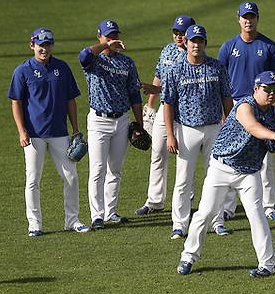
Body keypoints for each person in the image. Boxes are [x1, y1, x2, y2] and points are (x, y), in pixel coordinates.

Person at [176, 71, 275, 278]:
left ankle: (267, 265)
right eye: (267, 89)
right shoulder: (244, 105)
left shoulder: (274, 114)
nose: (272, 93)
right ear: (256, 89)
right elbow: (252, 127)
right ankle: (188, 256)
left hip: (249, 173)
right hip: (222, 167)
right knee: (205, 213)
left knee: (256, 215)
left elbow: (271, 146)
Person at [8, 27, 90, 237]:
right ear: (32, 45)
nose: (44, 49)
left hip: (59, 132)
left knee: (71, 177)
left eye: (48, 44)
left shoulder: (62, 68)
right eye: (41, 45)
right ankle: (34, 224)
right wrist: (21, 131)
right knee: (33, 179)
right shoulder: (22, 70)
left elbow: (71, 100)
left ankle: (72, 220)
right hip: (33, 135)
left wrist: (76, 129)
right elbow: (16, 102)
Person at [162, 24, 234, 239]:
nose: (196, 45)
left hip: (214, 128)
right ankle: (179, 224)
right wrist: (170, 134)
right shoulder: (175, 69)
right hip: (187, 129)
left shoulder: (216, 67)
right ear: (186, 42)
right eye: (193, 41)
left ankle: (217, 221)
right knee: (184, 179)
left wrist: (229, 126)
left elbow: (226, 98)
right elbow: (168, 103)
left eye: (200, 41)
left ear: (205, 42)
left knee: (216, 177)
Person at [217, 1, 275, 221]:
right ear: (238, 19)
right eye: (245, 17)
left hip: (263, 106)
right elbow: (220, 80)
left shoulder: (269, 46)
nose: (248, 21)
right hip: (236, 105)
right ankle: (229, 207)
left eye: (252, 17)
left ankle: (268, 206)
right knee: (231, 153)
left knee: (265, 159)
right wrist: (223, 111)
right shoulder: (228, 47)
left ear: (257, 18)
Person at [79, 19, 144, 229]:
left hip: (122, 120)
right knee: (97, 170)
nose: (112, 38)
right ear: (99, 37)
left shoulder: (127, 63)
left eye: (114, 35)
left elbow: (134, 94)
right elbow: (83, 55)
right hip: (98, 121)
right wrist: (107, 46)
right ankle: (97, 216)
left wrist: (139, 123)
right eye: (108, 35)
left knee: (115, 169)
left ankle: (111, 212)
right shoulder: (94, 61)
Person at [134, 15, 196, 216]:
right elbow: (159, 77)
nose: (178, 36)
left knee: (185, 157)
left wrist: (156, 90)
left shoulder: (194, 54)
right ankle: (155, 201)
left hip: (186, 112)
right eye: (176, 32)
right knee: (158, 152)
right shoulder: (167, 50)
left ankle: (186, 199)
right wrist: (150, 106)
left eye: (182, 32)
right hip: (164, 109)